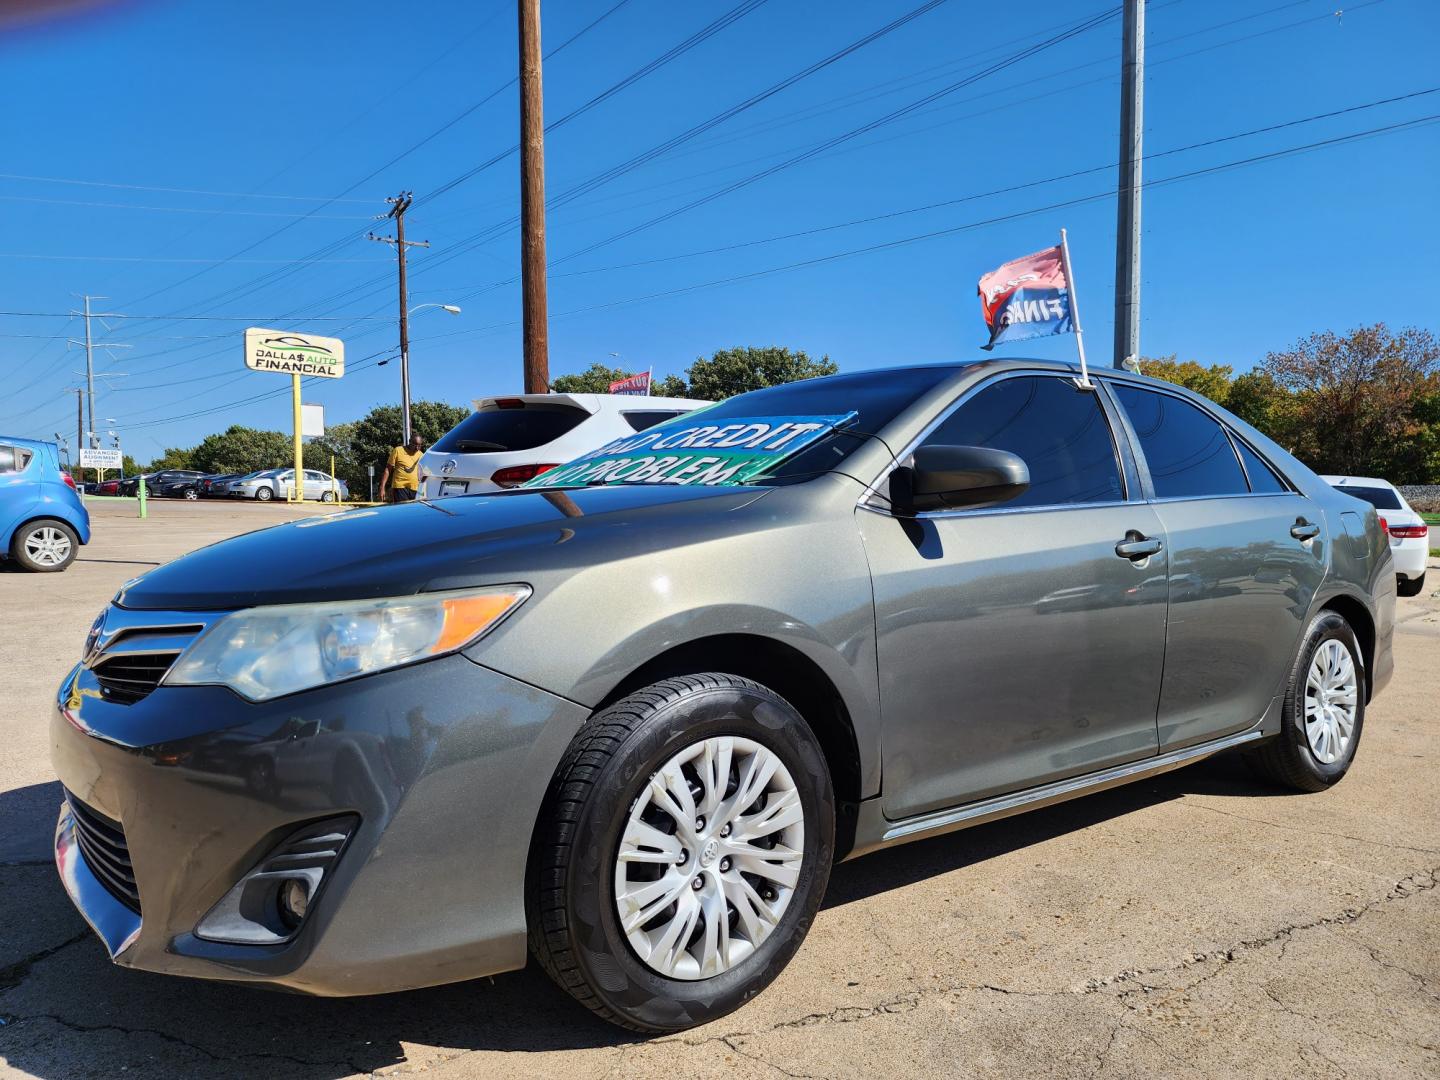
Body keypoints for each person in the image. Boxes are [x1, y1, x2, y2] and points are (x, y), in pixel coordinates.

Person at [379, 433, 425, 503]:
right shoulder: (398, 450)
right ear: (410, 441)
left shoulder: (421, 455)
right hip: (400, 488)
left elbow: (425, 473)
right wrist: (382, 487)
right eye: (415, 445)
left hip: (415, 489)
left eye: (419, 445)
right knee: (403, 511)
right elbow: (388, 469)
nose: (417, 448)